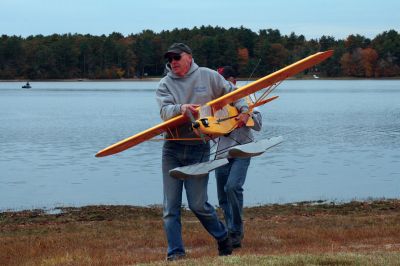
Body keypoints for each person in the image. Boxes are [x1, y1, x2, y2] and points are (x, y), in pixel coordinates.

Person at [156, 43, 250, 261]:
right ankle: (176, 253)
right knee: (170, 207)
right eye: (169, 59)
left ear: (189, 57)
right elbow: (164, 111)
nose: (173, 62)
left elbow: (234, 93)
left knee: (198, 204)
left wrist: (244, 110)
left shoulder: (208, 76)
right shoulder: (165, 83)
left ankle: (222, 235)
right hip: (172, 148)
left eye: (176, 57)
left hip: (199, 147)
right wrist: (180, 109)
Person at [215, 66, 262, 248]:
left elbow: (257, 125)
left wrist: (245, 113)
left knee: (233, 187)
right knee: (223, 196)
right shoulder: (215, 101)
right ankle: (230, 232)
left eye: (224, 81)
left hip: (243, 149)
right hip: (221, 152)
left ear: (233, 81)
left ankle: (236, 231)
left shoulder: (246, 98)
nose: (220, 86)